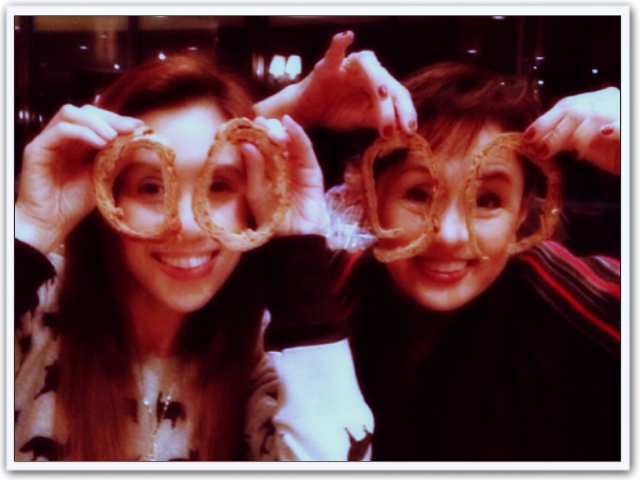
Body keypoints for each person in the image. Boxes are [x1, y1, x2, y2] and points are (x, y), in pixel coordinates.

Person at [268, 32, 621, 461]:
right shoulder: (324, 294)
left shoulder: (567, 298)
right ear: (371, 196)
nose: (449, 235)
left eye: (487, 201)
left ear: (521, 213)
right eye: (418, 194)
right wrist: (293, 107)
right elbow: (195, 234)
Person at [14, 53, 374, 461]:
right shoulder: (32, 313)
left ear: (253, 201)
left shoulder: (269, 358)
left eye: (219, 185)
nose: (188, 225)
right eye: (150, 187)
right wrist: (30, 227)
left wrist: (296, 244)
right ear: (106, 194)